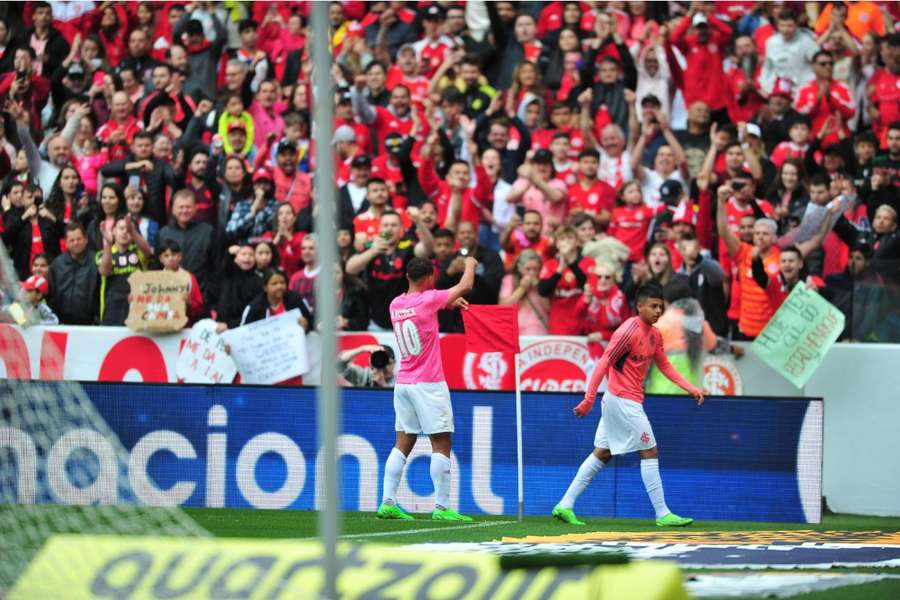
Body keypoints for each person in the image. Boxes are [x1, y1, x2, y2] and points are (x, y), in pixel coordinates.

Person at [552, 284, 704, 527]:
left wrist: (691, 387)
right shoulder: (627, 331)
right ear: (639, 306)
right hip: (623, 401)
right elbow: (604, 362)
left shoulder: (655, 335)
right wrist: (588, 398)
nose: (658, 311)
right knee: (650, 451)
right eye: (653, 306)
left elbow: (665, 365)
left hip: (622, 401)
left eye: (660, 307)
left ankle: (565, 505)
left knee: (602, 453)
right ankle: (663, 513)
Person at [377, 255, 477, 522]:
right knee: (441, 441)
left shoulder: (395, 304)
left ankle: (387, 501)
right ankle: (442, 508)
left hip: (404, 383)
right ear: (430, 278)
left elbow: (422, 304)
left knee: (403, 441)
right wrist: (470, 264)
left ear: (407, 277)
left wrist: (447, 301)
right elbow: (465, 285)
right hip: (429, 383)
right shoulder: (430, 300)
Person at [48, 222, 99, 325]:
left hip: (91, 323)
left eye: (79, 239)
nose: (76, 243)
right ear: (66, 243)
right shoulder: (57, 264)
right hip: (62, 323)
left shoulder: (97, 261)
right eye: (71, 240)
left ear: (86, 239)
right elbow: (51, 295)